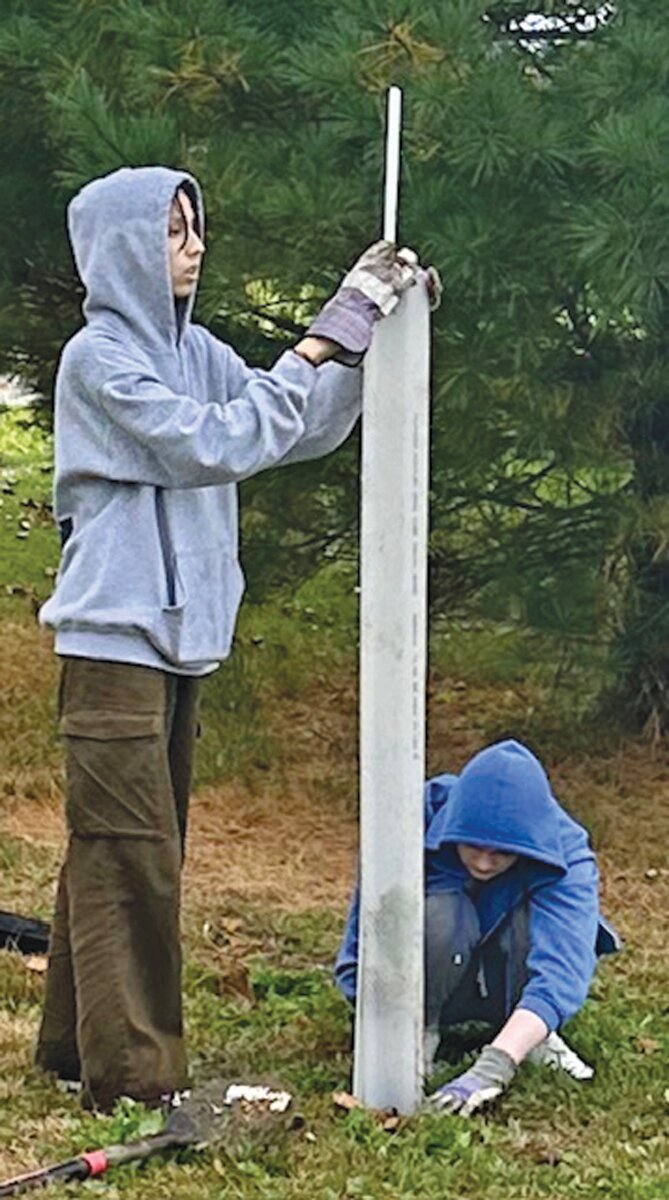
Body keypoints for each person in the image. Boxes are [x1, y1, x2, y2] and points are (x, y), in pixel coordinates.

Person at [35, 164, 431, 1110]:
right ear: (125, 247)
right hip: (114, 642)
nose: (195, 246)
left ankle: (69, 1048)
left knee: (126, 844)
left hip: (179, 643)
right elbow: (209, 445)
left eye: (194, 227)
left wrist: (374, 337)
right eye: (173, 232)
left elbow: (288, 429)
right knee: (133, 856)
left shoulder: (199, 352)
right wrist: (323, 333)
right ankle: (134, 1081)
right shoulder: (98, 361)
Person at [335, 739, 620, 1115]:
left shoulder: (567, 852)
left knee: (533, 923)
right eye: (471, 846)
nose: (484, 864)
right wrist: (382, 1020)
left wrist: (495, 1066)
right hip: (426, 980)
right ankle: (417, 1033)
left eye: (501, 852)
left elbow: (563, 968)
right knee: (439, 912)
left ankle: (526, 1034)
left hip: (509, 980)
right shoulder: (407, 819)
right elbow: (363, 945)